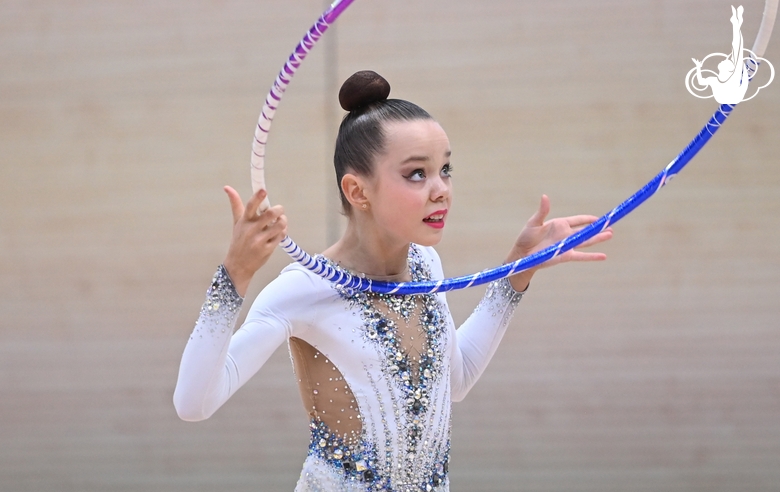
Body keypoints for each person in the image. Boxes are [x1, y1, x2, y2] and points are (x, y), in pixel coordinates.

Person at [173, 70, 613, 491]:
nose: (440, 189)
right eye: (416, 174)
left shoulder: (426, 266)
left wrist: (518, 269)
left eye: (445, 170)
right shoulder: (304, 289)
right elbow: (194, 403)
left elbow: (454, 383)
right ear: (357, 191)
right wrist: (234, 276)